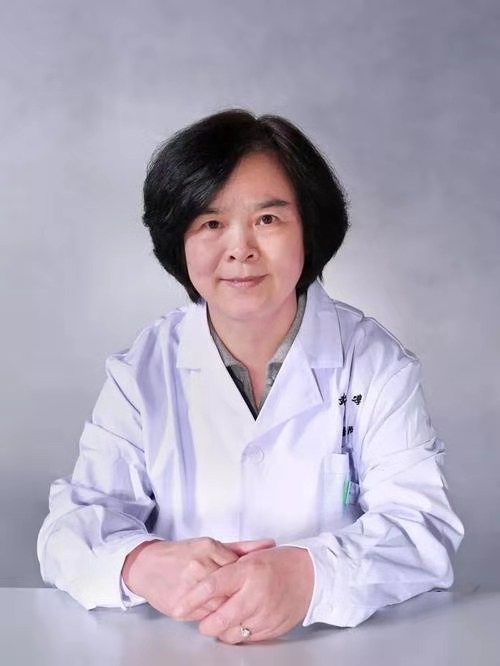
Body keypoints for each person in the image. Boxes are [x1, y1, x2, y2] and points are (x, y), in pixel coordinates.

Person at [37, 109, 464, 644]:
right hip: (178, 647)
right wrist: (139, 562)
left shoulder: (375, 363)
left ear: (310, 229)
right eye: (211, 223)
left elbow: (421, 526)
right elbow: (70, 529)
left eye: (267, 220)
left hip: (340, 647)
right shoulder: (141, 372)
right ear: (179, 240)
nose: (240, 248)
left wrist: (311, 575)